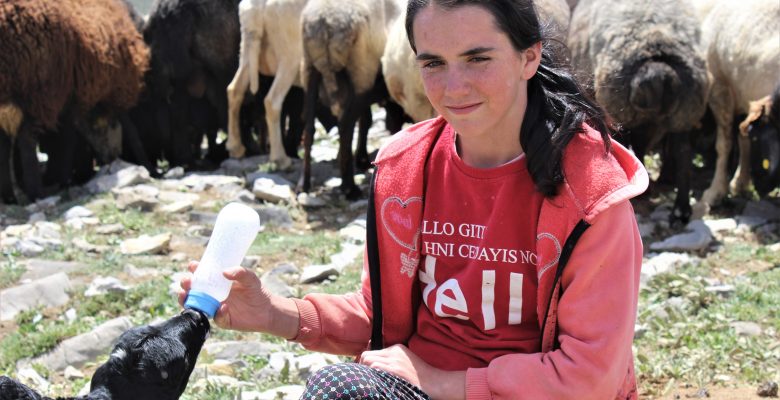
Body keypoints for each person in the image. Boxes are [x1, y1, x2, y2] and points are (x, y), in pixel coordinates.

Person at [179, 0, 648, 398]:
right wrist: (276, 313)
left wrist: (445, 382)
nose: (453, 87)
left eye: (478, 59)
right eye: (433, 63)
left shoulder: (592, 196)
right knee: (337, 388)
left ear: (529, 57)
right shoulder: (405, 169)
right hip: (418, 386)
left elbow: (590, 376)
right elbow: (380, 313)